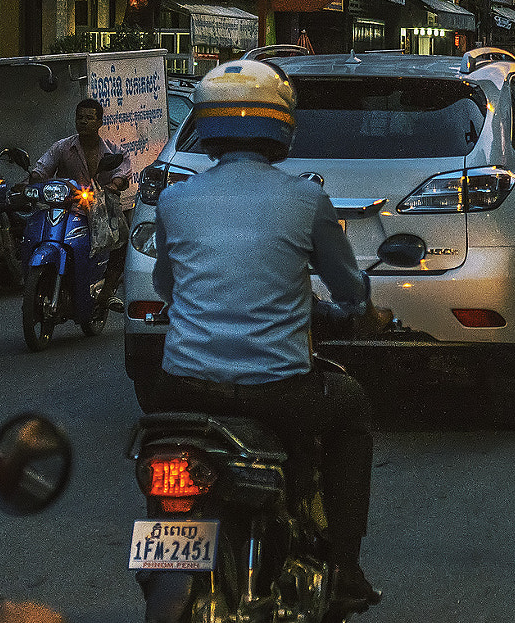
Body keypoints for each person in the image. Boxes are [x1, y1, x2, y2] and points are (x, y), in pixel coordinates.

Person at [138, 58, 384, 616]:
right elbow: (349, 292)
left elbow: (167, 288)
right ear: (282, 126)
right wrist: (362, 310)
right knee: (353, 411)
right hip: (279, 390)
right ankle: (344, 566)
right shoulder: (306, 199)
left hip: (183, 390)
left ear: (206, 126)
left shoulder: (175, 200)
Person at [32, 97, 133, 309]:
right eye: (80, 118)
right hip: (67, 208)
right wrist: (31, 182)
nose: (84, 122)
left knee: (121, 241)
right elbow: (42, 169)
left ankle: (108, 290)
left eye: (89, 118)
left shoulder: (112, 151)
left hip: (102, 209)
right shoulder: (62, 147)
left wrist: (114, 185)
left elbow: (122, 172)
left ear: (99, 122)